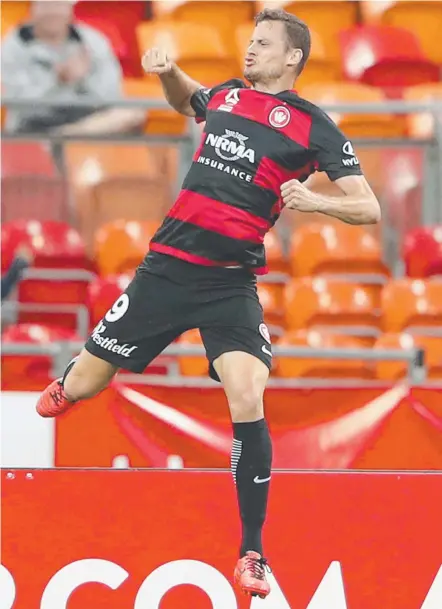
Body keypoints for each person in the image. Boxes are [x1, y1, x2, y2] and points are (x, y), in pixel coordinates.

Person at [36, 8, 381, 599]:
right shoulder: (226, 96)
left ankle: (251, 552)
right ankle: (72, 380)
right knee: (89, 384)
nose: (251, 51)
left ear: (292, 57)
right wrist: (169, 71)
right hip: (166, 271)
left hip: (230, 285)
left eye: (263, 44)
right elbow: (186, 98)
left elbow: (368, 206)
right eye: (250, 41)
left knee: (248, 393)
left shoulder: (313, 127)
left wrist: (315, 202)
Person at [1, 1, 144, 135]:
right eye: (46, 6)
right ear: (33, 9)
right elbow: (18, 104)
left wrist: (85, 79)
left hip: (86, 121)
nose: (53, 13)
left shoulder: (93, 42)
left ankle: (64, 136)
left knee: (133, 113)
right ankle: (63, 139)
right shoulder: (12, 47)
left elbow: (110, 97)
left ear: (70, 9)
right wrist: (57, 81)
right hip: (34, 125)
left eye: (59, 5)